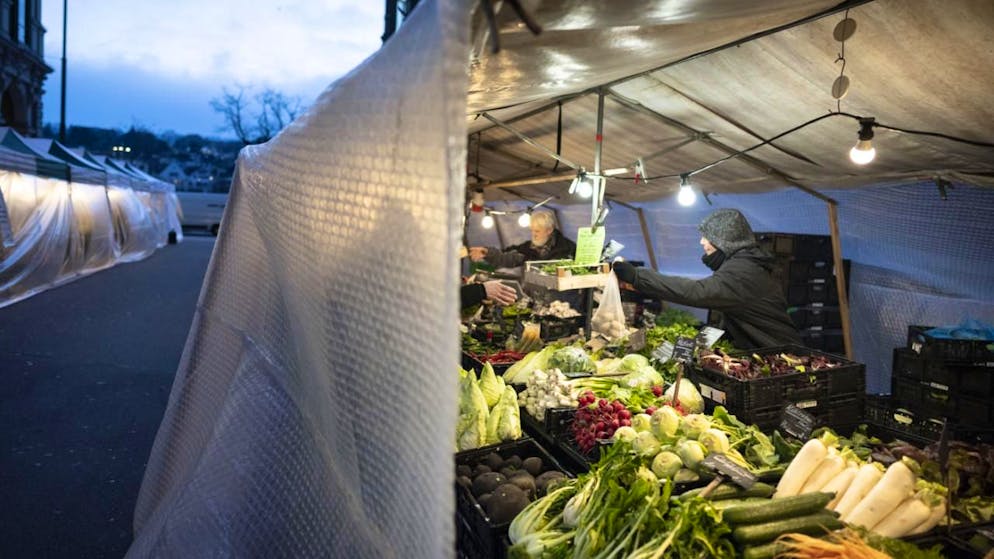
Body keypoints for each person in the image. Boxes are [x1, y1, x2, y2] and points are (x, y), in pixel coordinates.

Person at [612, 208, 801, 349]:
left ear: (725, 241)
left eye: (707, 237)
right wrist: (698, 345)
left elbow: (696, 292)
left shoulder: (743, 272)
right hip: (763, 351)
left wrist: (638, 277)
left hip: (780, 358)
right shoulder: (741, 265)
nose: (702, 242)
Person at [468, 210, 576, 268]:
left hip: (563, 302)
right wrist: (487, 252)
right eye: (531, 230)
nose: (533, 234)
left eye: (537, 231)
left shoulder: (567, 248)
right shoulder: (528, 248)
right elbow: (506, 257)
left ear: (549, 230)